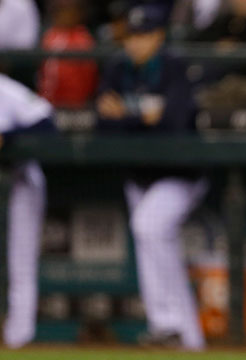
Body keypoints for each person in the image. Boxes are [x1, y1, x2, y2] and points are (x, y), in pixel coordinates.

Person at [95, 3, 208, 351]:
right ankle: (186, 336)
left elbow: (173, 122)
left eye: (143, 35)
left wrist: (125, 114)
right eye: (131, 35)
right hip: (139, 174)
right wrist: (142, 115)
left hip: (179, 173)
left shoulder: (173, 65)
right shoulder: (117, 67)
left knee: (149, 227)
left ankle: (168, 325)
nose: (136, 43)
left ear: (158, 36)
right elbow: (101, 123)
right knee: (152, 242)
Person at [0, 73, 56, 349]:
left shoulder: (4, 89)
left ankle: (18, 338)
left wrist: (6, 137)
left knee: (21, 261)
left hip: (19, 177)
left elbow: (47, 123)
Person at [38, 0, 98, 109]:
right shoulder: (50, 35)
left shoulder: (83, 38)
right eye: (59, 10)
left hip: (75, 104)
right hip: (47, 101)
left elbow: (89, 79)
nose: (63, 14)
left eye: (68, 10)